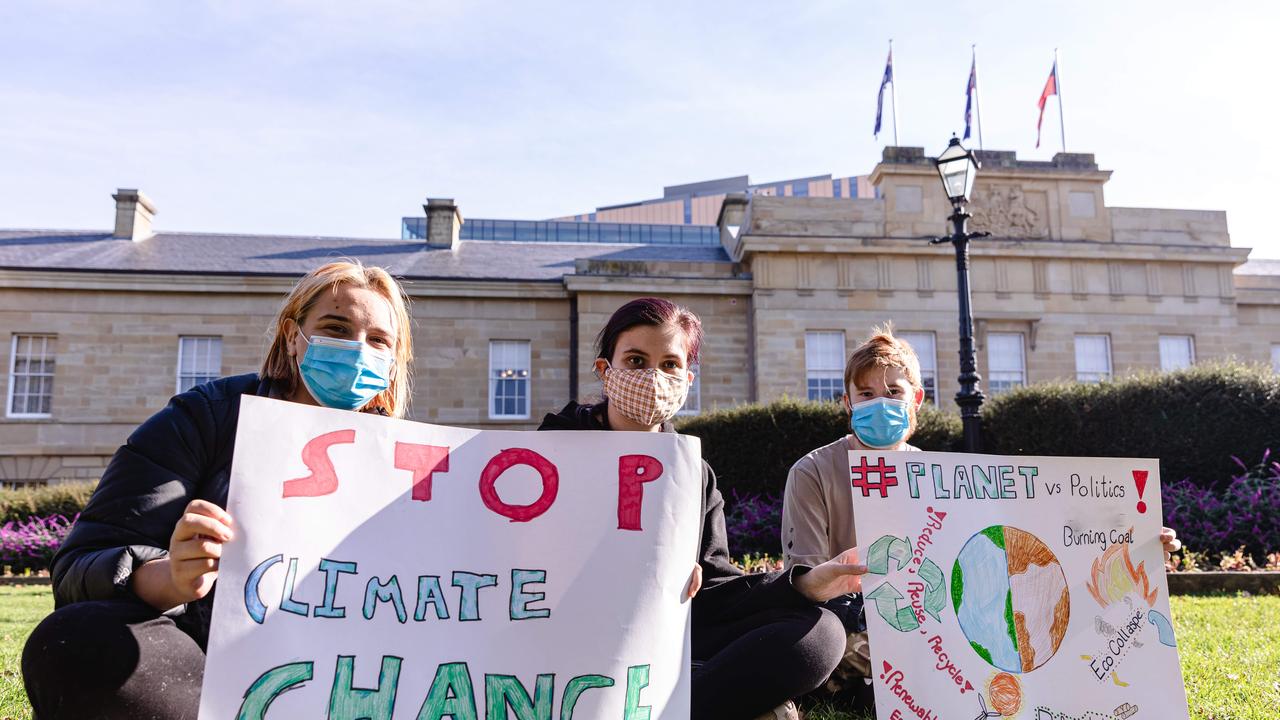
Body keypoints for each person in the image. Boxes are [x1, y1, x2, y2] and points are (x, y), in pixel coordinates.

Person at [22, 261, 414, 719]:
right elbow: (78, 570)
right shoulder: (201, 419)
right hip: (208, 670)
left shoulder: (418, 469)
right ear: (292, 336)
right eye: (336, 328)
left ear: (391, 362)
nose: (357, 351)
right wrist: (170, 578)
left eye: (378, 341)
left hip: (356, 681)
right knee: (76, 640)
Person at [779, 324, 1184, 703]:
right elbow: (804, 588)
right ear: (847, 401)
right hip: (849, 617)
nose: (880, 404)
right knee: (820, 640)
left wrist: (1134, 547)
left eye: (893, 392)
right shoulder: (812, 472)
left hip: (933, 623)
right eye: (866, 394)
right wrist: (841, 578)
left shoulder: (945, 478)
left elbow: (1032, 551)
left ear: (916, 399)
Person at [539, 297, 864, 720]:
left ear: (687, 380)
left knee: (819, 634)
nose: (652, 377)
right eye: (636, 360)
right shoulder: (545, 453)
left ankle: (683, 698)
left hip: (666, 633)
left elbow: (716, 589)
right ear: (606, 371)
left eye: (670, 364)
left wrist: (803, 584)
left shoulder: (692, 473)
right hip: (562, 631)